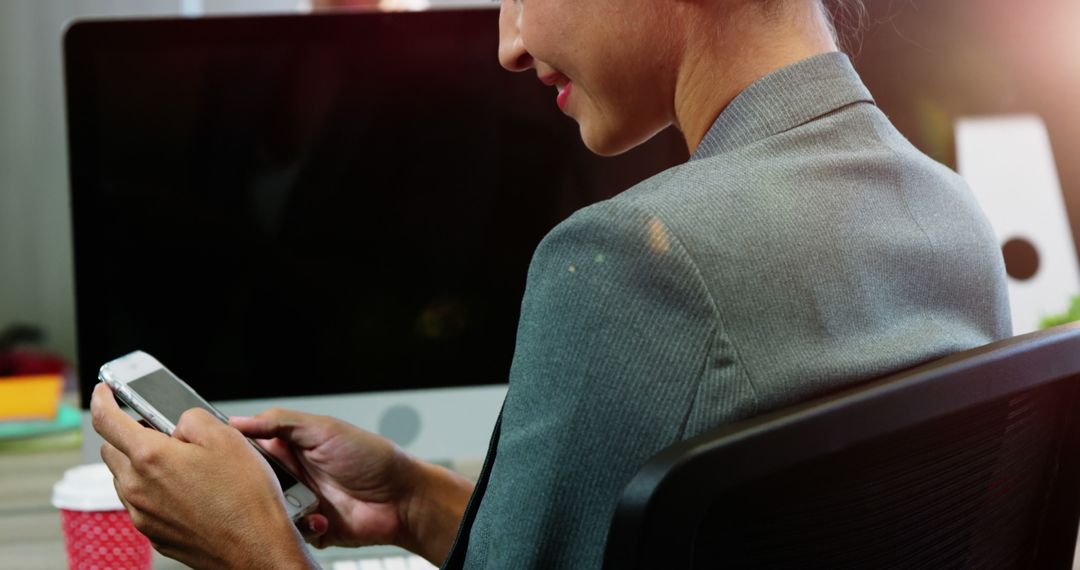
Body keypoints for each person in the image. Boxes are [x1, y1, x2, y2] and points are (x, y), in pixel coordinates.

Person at [91, 0, 1011, 567]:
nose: (509, 43)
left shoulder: (629, 263)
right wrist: (414, 500)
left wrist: (254, 550)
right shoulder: (952, 219)